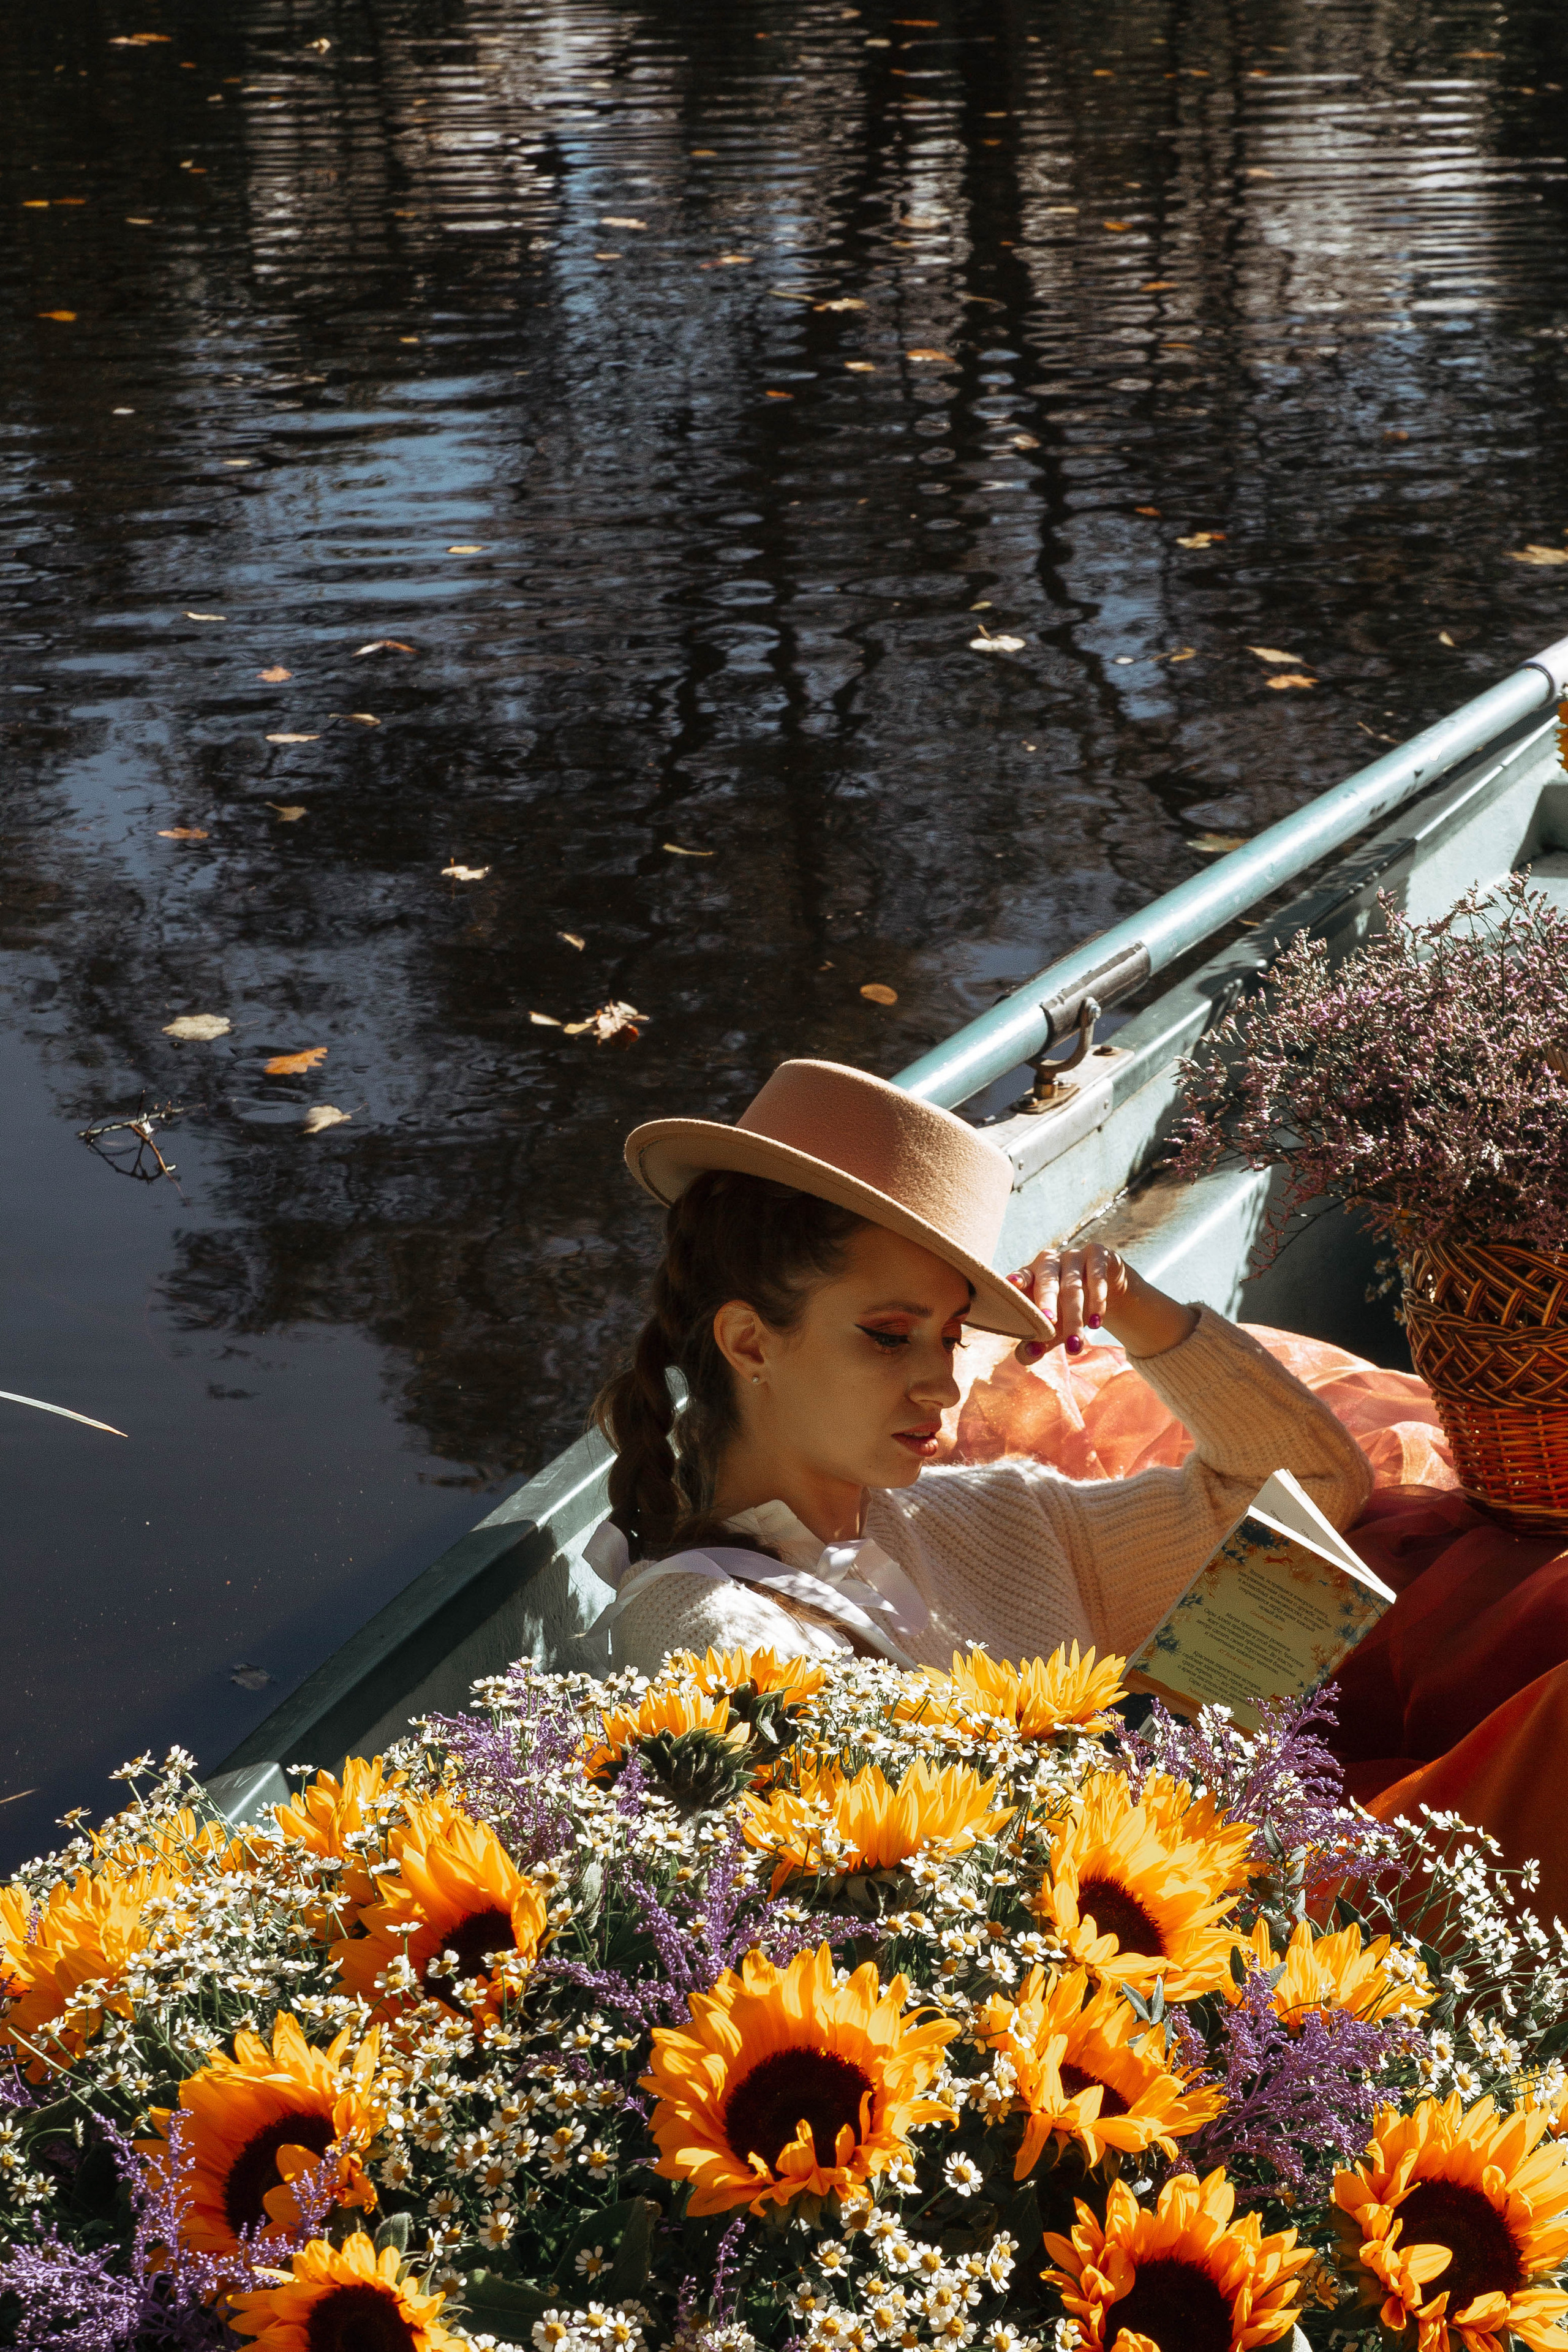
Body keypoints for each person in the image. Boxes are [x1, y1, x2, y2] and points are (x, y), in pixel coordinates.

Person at [586, 1058, 1371, 1677]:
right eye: (890, 1334)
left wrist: (1135, 1308)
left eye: (952, 1335)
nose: (944, 1388)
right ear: (749, 1343)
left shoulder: (1007, 1519)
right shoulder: (706, 1627)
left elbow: (1309, 1490)